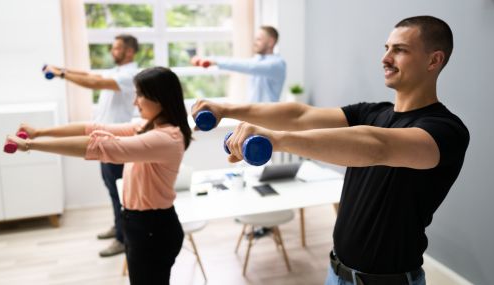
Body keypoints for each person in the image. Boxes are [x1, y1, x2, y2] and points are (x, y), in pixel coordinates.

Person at [192, 16, 469, 285]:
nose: (385, 59)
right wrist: (227, 109)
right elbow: (299, 115)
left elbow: (378, 146)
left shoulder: (445, 131)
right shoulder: (373, 112)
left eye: (400, 50)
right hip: (337, 272)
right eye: (386, 49)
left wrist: (277, 140)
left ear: (434, 60)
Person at [7, 67, 192, 285]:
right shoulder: (146, 127)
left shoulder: (166, 138)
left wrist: (31, 144)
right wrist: (40, 132)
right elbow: (93, 128)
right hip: (139, 224)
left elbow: (101, 146)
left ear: (159, 98)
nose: (135, 102)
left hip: (153, 229)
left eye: (140, 95)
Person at [44, 34, 139, 257]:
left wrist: (61, 74)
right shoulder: (116, 72)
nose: (112, 51)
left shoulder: (129, 75)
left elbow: (94, 83)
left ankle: (123, 240)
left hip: (117, 142)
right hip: (105, 139)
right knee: (112, 189)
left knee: (120, 194)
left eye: (117, 48)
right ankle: (119, 228)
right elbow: (89, 75)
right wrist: (61, 70)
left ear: (129, 52)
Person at [191, 26, 286, 103]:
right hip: (253, 115)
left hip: (268, 118)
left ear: (271, 42)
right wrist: (207, 59)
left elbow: (248, 66)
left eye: (259, 39)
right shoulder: (258, 59)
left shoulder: (277, 64)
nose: (254, 43)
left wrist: (214, 61)